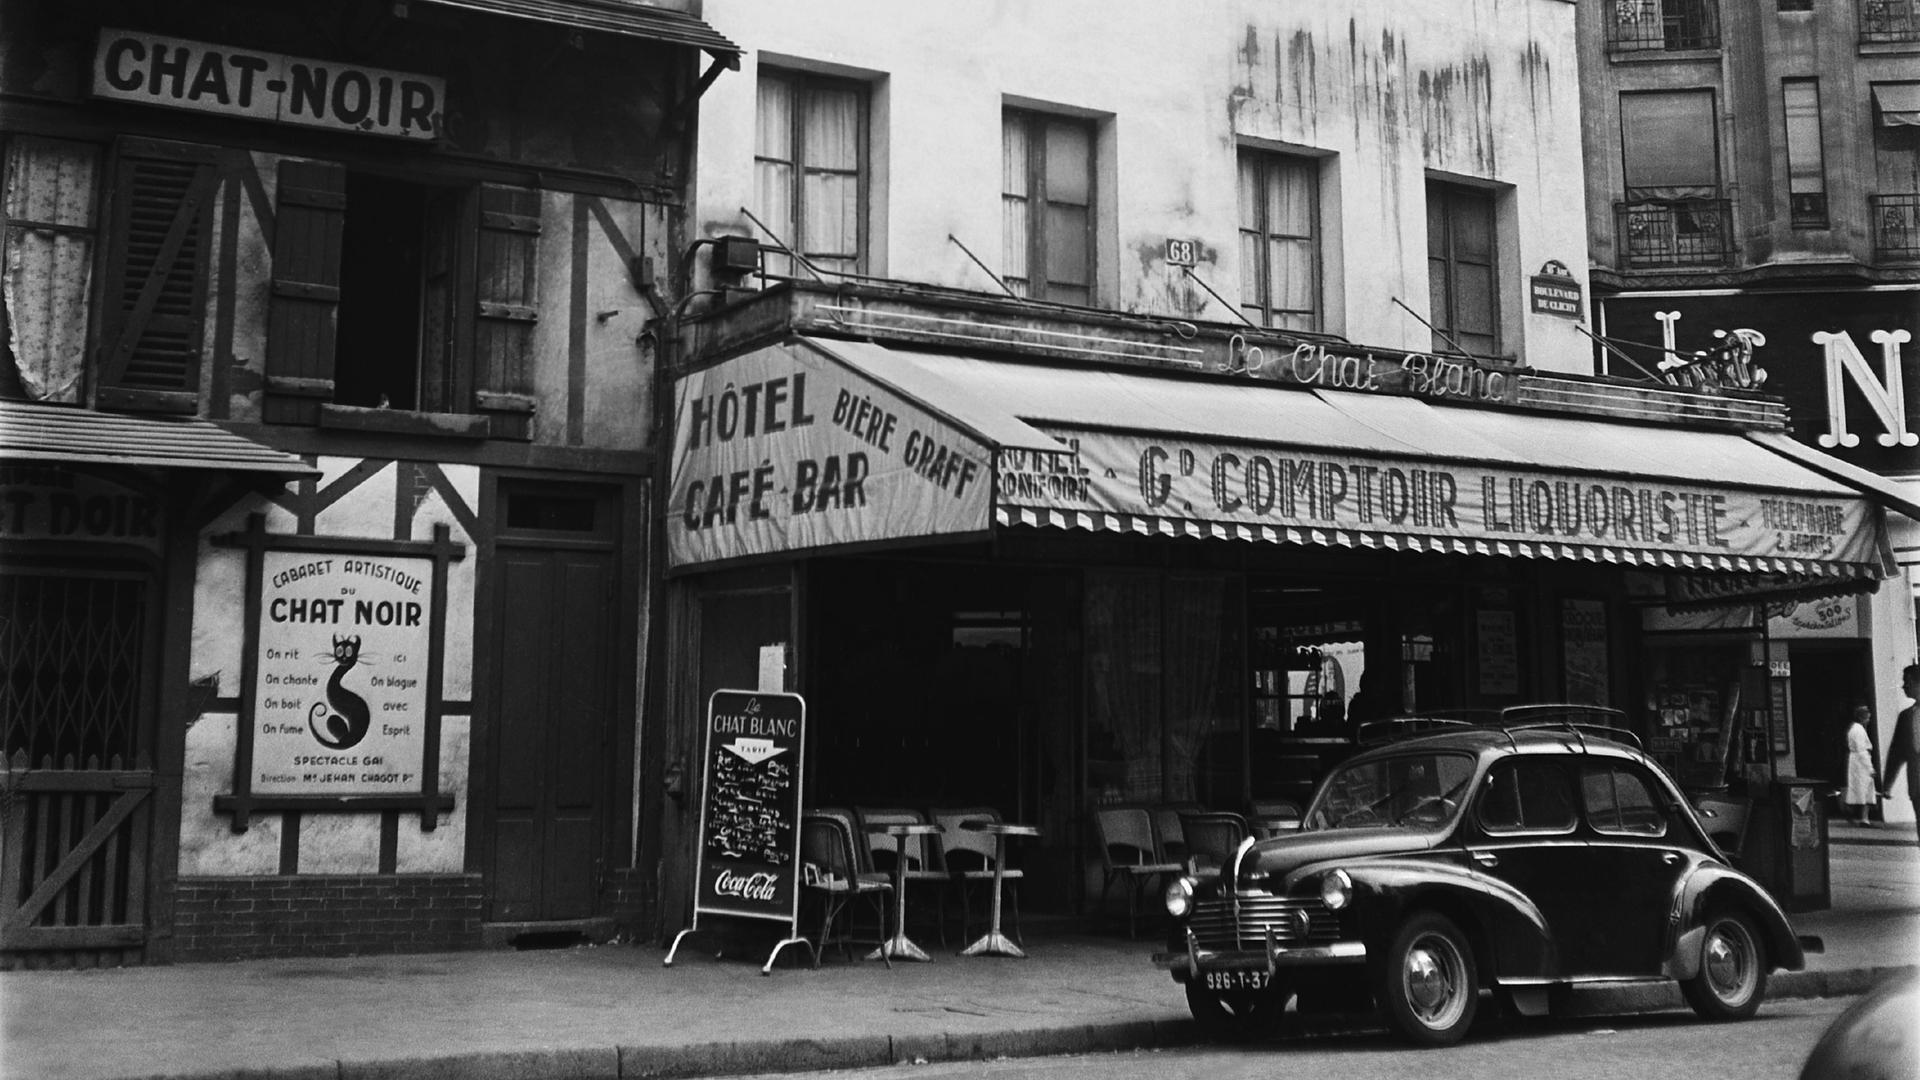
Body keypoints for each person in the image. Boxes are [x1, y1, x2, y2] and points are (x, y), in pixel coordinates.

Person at [1879, 664, 1920, 849]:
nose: (1903, 686)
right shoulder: (1906, 716)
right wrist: (1887, 784)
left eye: (1906, 682)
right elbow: (1897, 752)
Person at [1843, 706, 1878, 826]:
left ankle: (1863, 817)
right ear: (1862, 717)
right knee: (1865, 789)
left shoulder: (1855, 729)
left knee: (1860, 790)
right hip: (1861, 762)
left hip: (1857, 761)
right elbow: (1861, 750)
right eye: (1867, 718)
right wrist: (1870, 768)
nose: (1868, 720)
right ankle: (1860, 816)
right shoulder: (1858, 730)